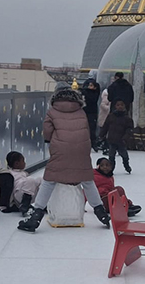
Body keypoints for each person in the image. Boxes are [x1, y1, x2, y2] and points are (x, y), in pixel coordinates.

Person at [18, 88, 110, 232]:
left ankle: (35, 216)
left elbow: (47, 131)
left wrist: (51, 140)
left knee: (49, 181)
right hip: (81, 150)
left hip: (60, 150)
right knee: (87, 181)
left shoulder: (52, 112)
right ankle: (101, 213)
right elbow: (86, 129)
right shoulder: (81, 111)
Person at [100, 100, 135, 173]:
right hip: (112, 140)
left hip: (121, 141)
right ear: (115, 106)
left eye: (121, 105)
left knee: (124, 156)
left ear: (124, 106)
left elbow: (129, 129)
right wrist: (101, 135)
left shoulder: (127, 118)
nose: (120, 107)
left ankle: (127, 166)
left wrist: (126, 138)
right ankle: (111, 169)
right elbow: (105, 126)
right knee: (111, 156)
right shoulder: (111, 116)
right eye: (118, 105)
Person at [81, 76, 101, 150]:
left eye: (91, 85)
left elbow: (92, 99)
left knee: (92, 128)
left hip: (91, 112)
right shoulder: (86, 92)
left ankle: (93, 142)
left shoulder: (93, 93)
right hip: (87, 111)